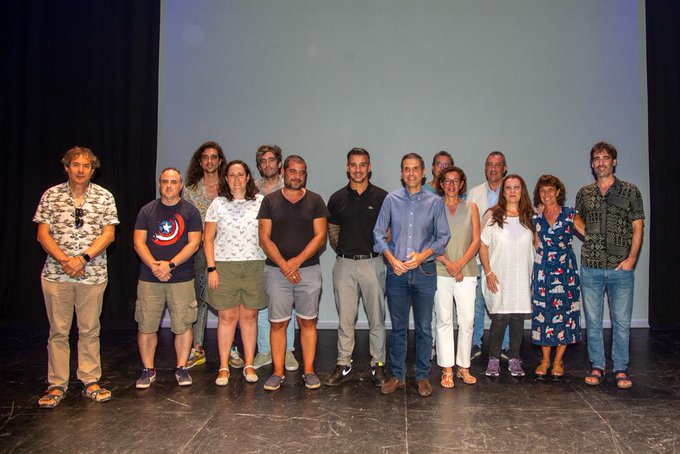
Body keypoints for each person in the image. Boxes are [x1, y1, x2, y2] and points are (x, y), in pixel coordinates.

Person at [34, 146, 118, 408]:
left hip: (92, 275)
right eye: (76, 165)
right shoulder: (51, 196)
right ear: (66, 167)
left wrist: (81, 259)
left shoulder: (104, 197)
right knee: (58, 331)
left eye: (86, 166)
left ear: (93, 169)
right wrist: (65, 261)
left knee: (90, 330)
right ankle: (57, 384)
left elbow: (108, 235)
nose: (81, 170)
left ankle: (90, 380)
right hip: (56, 275)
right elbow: (42, 234)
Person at [374, 153, 450, 397]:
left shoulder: (435, 202)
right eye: (406, 169)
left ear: (424, 172)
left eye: (415, 169)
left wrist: (422, 255)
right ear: (401, 173)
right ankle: (397, 375)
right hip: (396, 273)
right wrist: (391, 259)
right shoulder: (391, 199)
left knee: (424, 327)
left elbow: (443, 237)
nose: (411, 173)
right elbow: (377, 234)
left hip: (424, 271)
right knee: (397, 328)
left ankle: (422, 376)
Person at [576, 142, 644, 389]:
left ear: (614, 161)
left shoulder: (630, 191)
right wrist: (591, 238)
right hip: (591, 267)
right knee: (593, 322)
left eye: (606, 158)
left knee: (622, 323)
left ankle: (621, 368)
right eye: (597, 158)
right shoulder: (584, 193)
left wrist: (632, 259)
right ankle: (597, 365)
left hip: (620, 268)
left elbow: (638, 227)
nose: (601, 162)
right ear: (592, 164)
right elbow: (575, 218)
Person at [257, 155, 329, 390]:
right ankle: (277, 372)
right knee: (278, 323)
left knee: (307, 322)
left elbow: (320, 236)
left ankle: (308, 371)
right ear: (283, 172)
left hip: (308, 271)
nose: (297, 176)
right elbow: (264, 238)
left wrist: (295, 262)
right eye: (293, 171)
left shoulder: (316, 200)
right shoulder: (270, 201)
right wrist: (285, 265)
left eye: (302, 172)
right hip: (276, 272)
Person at [325, 148, 388, 387]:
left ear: (369, 167)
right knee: (345, 319)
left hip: (373, 263)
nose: (358, 169)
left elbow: (388, 232)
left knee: (376, 318)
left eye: (363, 165)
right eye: (353, 165)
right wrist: (344, 252)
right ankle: (343, 364)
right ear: (347, 167)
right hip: (344, 265)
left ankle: (378, 364)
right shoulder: (337, 198)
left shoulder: (382, 197)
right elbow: (333, 233)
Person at [133, 168, 202, 388]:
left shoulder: (191, 212)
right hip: (150, 277)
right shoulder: (146, 211)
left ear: (181, 185)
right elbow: (139, 242)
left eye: (174, 182)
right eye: (165, 182)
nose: (169, 186)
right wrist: (155, 265)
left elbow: (194, 243)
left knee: (183, 325)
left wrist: (170, 264)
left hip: (180, 277)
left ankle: (181, 368)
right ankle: (148, 369)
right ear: (159, 184)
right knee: (146, 325)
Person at [204, 160, 267, 385]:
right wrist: (211, 268)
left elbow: (268, 234)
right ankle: (223, 367)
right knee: (227, 317)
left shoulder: (261, 202)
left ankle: (249, 365)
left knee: (249, 317)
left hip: (254, 266)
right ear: (226, 179)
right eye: (232, 175)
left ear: (248, 177)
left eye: (241, 174)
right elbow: (208, 239)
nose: (237, 179)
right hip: (224, 267)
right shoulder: (218, 204)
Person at [184, 142, 245, 369]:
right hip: (200, 251)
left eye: (214, 157)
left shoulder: (229, 186)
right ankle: (197, 348)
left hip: (229, 252)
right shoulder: (190, 189)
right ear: (200, 162)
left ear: (220, 161)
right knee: (201, 298)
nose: (210, 161)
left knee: (230, 302)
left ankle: (231, 349)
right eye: (205, 157)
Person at [479, 174, 534, 378]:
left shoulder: (530, 217)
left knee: (518, 318)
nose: (512, 191)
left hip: (521, 278)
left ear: (522, 191)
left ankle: (514, 358)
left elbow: (536, 247)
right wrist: (488, 272)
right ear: (503, 192)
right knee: (500, 318)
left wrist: (533, 279)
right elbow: (483, 246)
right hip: (499, 276)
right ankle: (493, 359)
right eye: (508, 187)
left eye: (516, 187)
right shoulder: (494, 216)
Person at [531, 175, 584, 380]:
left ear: (558, 192)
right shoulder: (537, 218)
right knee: (543, 313)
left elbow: (588, 234)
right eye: (543, 191)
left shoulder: (570, 215)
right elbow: (535, 246)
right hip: (543, 271)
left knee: (565, 314)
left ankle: (558, 361)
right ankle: (544, 360)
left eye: (550, 190)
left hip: (565, 272)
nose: (547, 195)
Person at [252, 144, 298, 371]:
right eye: (263, 161)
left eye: (272, 160)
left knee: (285, 304)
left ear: (280, 164)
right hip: (257, 253)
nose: (268, 165)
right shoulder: (252, 190)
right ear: (259, 166)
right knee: (262, 304)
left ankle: (288, 350)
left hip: (284, 257)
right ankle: (264, 350)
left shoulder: (290, 186)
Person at [434, 166, 480, 388]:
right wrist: (448, 264)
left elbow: (476, 241)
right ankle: (447, 369)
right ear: (440, 184)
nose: (451, 185)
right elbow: (428, 241)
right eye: (447, 181)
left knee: (467, 320)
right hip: (441, 270)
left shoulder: (471, 207)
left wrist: (459, 264)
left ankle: (463, 366)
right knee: (443, 320)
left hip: (466, 271)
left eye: (455, 181)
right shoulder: (433, 208)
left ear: (462, 184)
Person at [467, 151, 510, 359]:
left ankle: (504, 345)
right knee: (476, 304)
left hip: (503, 258)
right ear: (485, 168)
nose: (493, 168)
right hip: (477, 257)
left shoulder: (512, 191)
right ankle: (475, 342)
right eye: (489, 164)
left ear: (505, 169)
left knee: (504, 304)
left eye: (497, 165)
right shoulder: (474, 194)